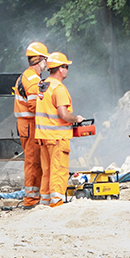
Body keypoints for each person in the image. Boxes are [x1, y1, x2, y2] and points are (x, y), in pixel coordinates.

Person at [34, 52, 83, 207]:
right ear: (60, 69)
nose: (67, 70)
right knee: (59, 170)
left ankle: (45, 202)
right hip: (57, 138)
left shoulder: (43, 86)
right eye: (66, 66)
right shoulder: (59, 89)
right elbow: (63, 114)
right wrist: (76, 119)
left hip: (44, 137)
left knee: (47, 171)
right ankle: (56, 203)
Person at [13, 41, 49, 208]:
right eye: (45, 60)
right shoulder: (32, 79)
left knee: (35, 161)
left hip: (27, 125)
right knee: (33, 162)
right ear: (39, 59)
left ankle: (35, 197)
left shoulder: (27, 76)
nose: (46, 64)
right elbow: (35, 106)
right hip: (30, 125)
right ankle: (31, 200)